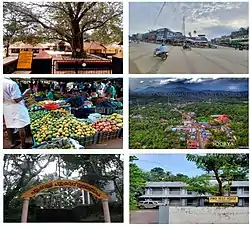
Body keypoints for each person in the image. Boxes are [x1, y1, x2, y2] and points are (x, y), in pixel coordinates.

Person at [3, 77, 31, 149]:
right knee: (21, 125)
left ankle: (12, 143)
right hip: (16, 107)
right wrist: (25, 92)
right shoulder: (12, 83)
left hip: (6, 107)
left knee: (9, 125)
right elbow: (17, 99)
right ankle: (23, 145)